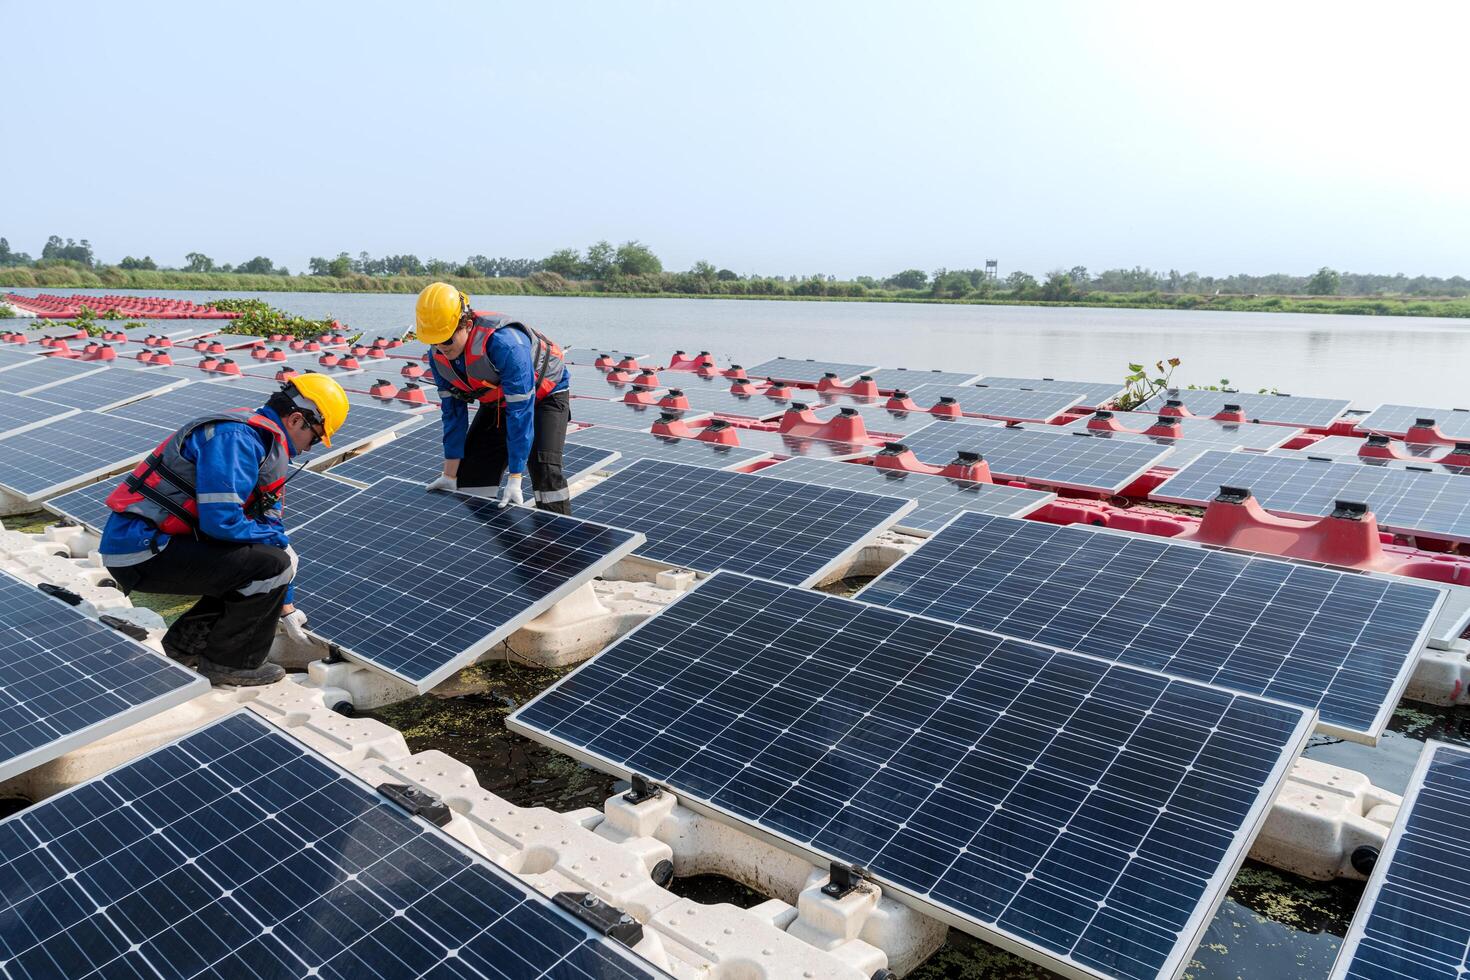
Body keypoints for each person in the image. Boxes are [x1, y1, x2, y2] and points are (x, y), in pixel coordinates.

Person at [98, 375, 350, 686]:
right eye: (314, 438)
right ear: (297, 419)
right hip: (142, 548)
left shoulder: (262, 443)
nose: (308, 448)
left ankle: (182, 647)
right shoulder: (237, 439)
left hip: (158, 545)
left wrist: (287, 605)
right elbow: (221, 521)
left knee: (266, 562)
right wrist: (279, 548)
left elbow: (268, 525)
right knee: (269, 563)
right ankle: (230, 664)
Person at [414, 282, 573, 513]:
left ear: (467, 325)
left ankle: (557, 543)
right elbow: (452, 414)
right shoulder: (438, 357)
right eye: (433, 341)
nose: (440, 347)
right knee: (470, 473)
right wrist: (449, 474)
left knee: (544, 469)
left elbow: (520, 412)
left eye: (446, 339)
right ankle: (484, 544)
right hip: (497, 401)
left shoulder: (505, 345)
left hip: (545, 396)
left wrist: (515, 477)